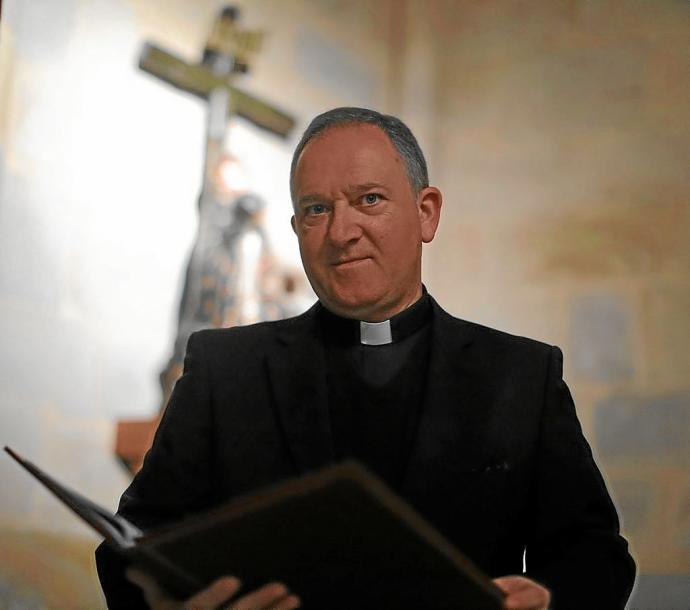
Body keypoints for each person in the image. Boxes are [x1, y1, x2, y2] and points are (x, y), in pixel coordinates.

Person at [96, 107, 636, 609]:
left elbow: (594, 554)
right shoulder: (225, 369)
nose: (341, 232)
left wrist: (546, 599)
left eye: (369, 200)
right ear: (296, 231)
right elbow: (132, 545)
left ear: (426, 214)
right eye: (316, 209)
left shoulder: (519, 376)